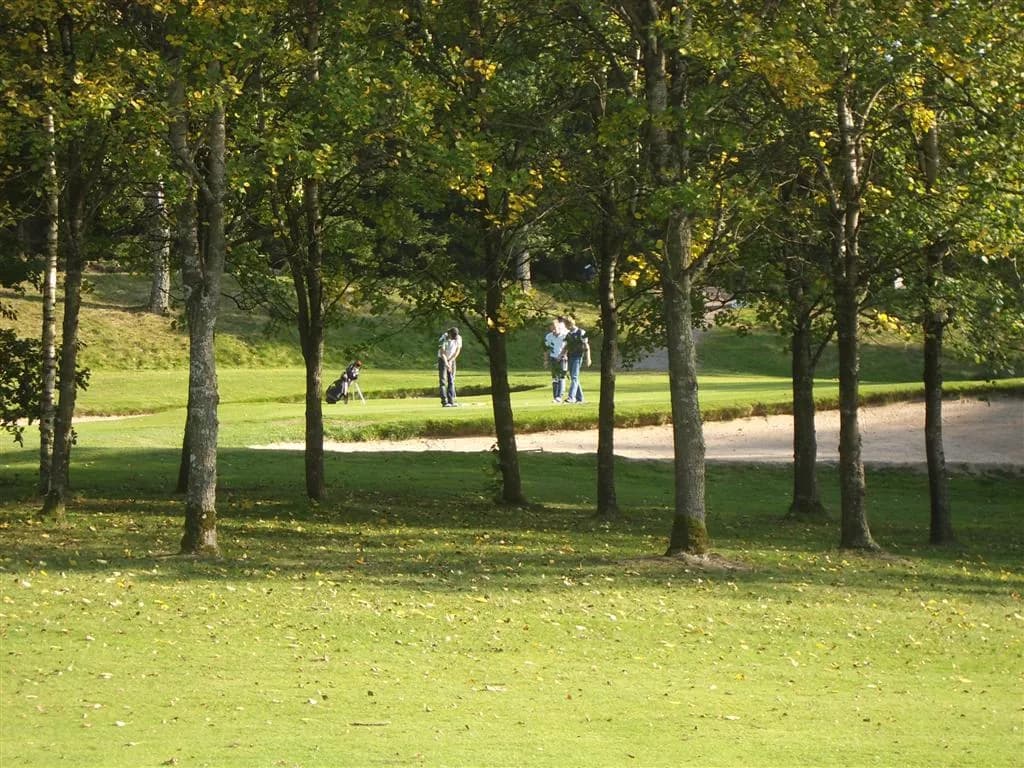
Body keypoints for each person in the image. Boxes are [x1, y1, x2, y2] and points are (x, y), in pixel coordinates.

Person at [563, 315, 591, 404]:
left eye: (566, 325)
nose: (565, 327)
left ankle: (571, 398)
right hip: (570, 357)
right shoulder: (568, 334)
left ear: (569, 324)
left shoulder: (581, 332)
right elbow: (566, 347)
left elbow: (586, 346)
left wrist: (588, 358)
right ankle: (580, 398)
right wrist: (562, 356)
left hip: (578, 357)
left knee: (574, 377)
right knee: (574, 377)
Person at [542, 316, 568, 403]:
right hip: (553, 358)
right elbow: (545, 349)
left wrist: (561, 356)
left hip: (563, 358)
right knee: (554, 378)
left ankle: (560, 396)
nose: (553, 328)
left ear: (559, 326)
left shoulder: (564, 335)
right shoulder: (549, 336)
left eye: (555, 326)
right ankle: (555, 396)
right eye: (552, 326)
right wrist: (545, 360)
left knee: (561, 377)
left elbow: (567, 347)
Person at [437, 327, 462, 407]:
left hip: (452, 359)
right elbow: (442, 353)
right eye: (453, 336)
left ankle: (451, 401)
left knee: (451, 380)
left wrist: (451, 360)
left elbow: (457, 350)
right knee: (443, 381)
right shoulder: (443, 338)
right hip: (442, 360)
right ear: (450, 334)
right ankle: (444, 402)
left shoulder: (458, 338)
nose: (454, 338)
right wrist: (447, 363)